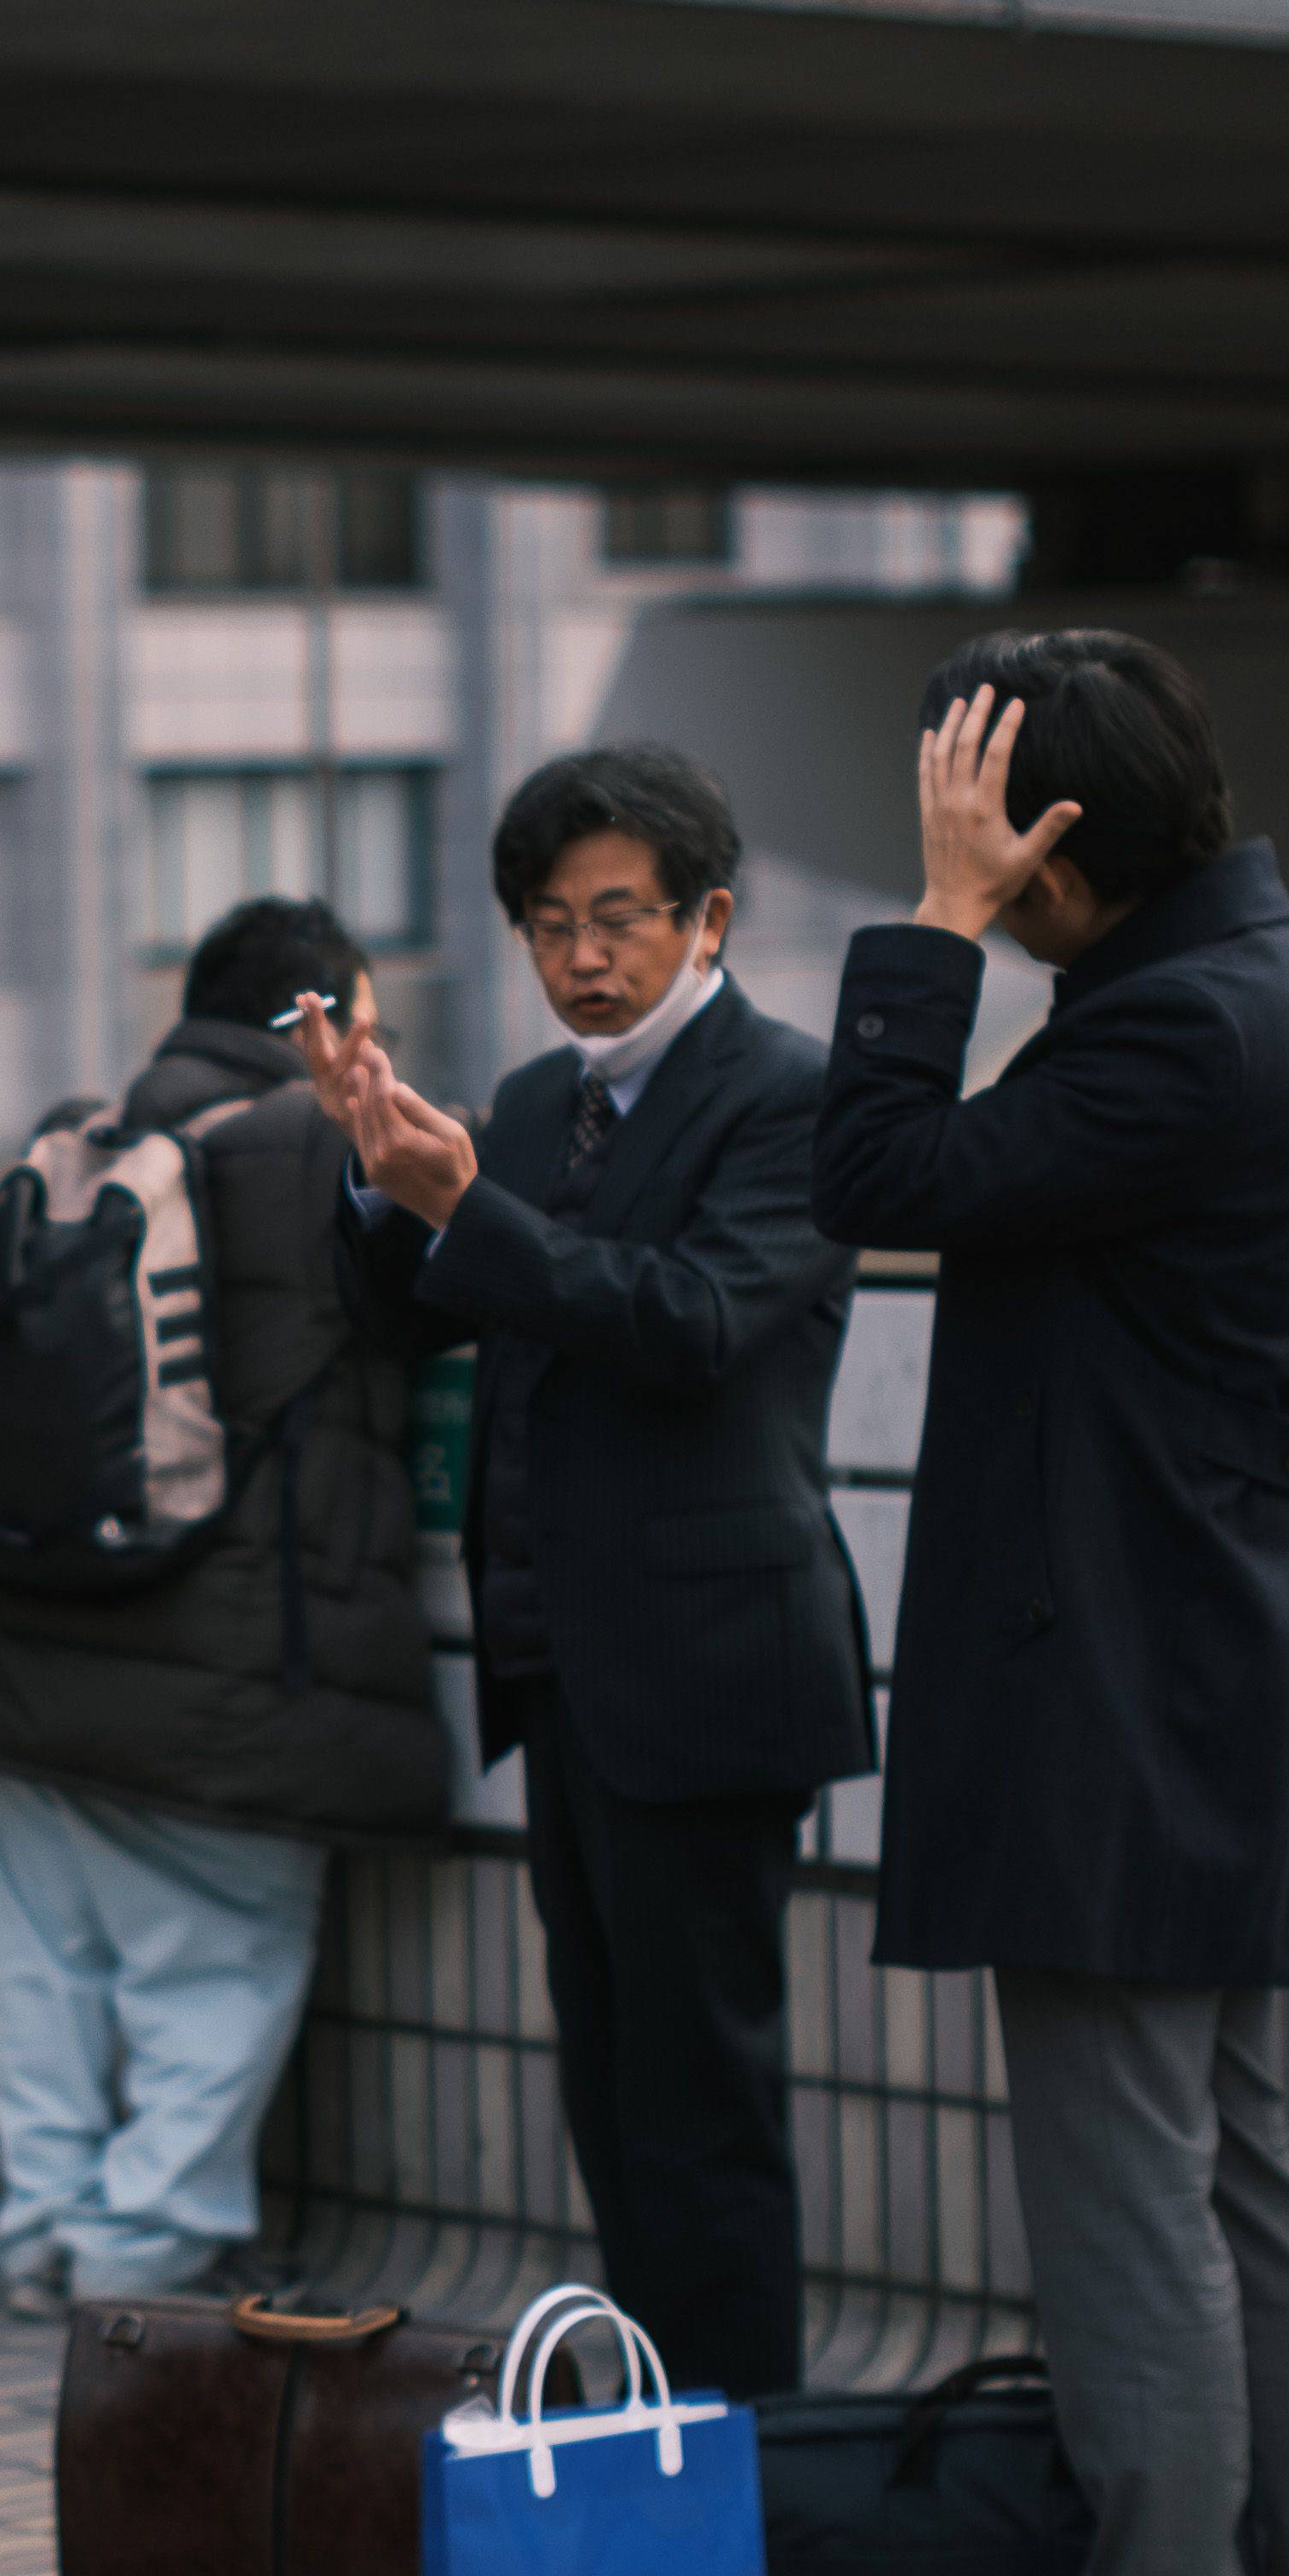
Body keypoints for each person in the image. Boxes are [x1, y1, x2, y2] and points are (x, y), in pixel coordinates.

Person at [810, 629, 1289, 2576]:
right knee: (1237, 2168)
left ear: (1052, 845)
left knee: (1128, 2206)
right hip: (1215, 1677)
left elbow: (876, 1174)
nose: (951, 861)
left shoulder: (1175, 1035)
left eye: (975, 828)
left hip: (1118, 1698)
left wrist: (934, 931)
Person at [306, 746, 870, 2401]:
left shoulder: (796, 1093)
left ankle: (745, 2456)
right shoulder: (543, 1101)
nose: (583, 957)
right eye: (549, 923)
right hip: (558, 1661)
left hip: (709, 1668)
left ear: (711, 916)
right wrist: (371, 1172)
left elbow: (688, 1320)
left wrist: (461, 1198)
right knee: (612, 2093)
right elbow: (421, 1311)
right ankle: (654, 2435)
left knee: (704, 2104)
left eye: (620, 917)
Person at [0, 896, 450, 2321]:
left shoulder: (86, 1141)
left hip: (10, 1651)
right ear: (327, 1024)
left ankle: (43, 2230)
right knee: (219, 1961)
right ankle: (139, 2253)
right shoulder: (317, 1149)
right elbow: (444, 1282)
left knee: (54, 1973)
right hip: (209, 1681)